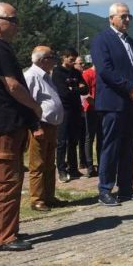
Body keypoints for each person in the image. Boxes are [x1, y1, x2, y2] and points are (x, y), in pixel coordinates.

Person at [0, 2, 43, 252]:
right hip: (3, 125)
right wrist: (35, 107)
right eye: (12, 20)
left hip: (5, 124)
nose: (17, 25)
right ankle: (2, 236)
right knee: (6, 181)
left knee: (10, 179)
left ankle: (3, 228)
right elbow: (13, 86)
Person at [91, 1, 133, 206]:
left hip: (132, 103)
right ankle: (105, 189)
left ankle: (126, 188)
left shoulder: (131, 42)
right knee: (111, 147)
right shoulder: (101, 40)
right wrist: (128, 88)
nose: (127, 19)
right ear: (111, 19)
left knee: (128, 147)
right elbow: (105, 70)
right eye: (123, 16)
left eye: (129, 16)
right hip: (113, 102)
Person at [24, 46, 64, 212]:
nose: (54, 60)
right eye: (51, 57)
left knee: (49, 163)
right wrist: (35, 126)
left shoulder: (46, 76)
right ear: (42, 60)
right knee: (38, 164)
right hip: (40, 126)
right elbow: (27, 103)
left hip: (51, 126)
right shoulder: (31, 76)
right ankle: (37, 199)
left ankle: (49, 196)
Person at [52, 48, 88, 183]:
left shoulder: (76, 72)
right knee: (62, 141)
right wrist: (75, 89)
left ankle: (73, 168)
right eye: (71, 59)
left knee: (74, 140)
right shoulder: (57, 73)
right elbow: (63, 93)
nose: (73, 62)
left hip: (76, 109)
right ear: (64, 58)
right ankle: (61, 169)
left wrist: (74, 88)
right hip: (64, 110)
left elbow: (86, 89)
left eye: (74, 60)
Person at [81, 62, 102, 178]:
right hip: (91, 109)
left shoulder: (102, 73)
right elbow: (86, 94)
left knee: (102, 138)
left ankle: (101, 164)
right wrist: (96, 104)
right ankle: (89, 166)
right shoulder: (87, 74)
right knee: (89, 137)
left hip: (102, 110)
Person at [73, 56, 89, 173]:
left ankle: (82, 160)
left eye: (83, 63)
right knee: (74, 138)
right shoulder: (72, 77)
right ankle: (71, 162)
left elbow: (86, 90)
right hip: (75, 110)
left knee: (84, 136)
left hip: (85, 110)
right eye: (80, 63)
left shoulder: (85, 75)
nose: (82, 65)